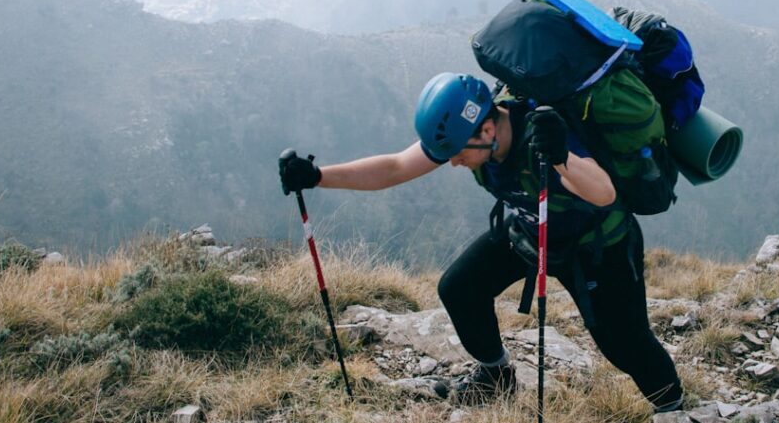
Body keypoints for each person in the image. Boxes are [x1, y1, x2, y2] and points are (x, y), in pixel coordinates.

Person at [279, 72, 684, 413]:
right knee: (459, 288)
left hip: (599, 247)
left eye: (456, 154)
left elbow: (604, 194)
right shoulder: (465, 132)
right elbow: (396, 167)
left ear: (488, 130)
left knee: (625, 346)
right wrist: (318, 176)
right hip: (531, 231)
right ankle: (496, 377)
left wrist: (560, 156)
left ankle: (673, 406)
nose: (452, 162)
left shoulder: (543, 136)